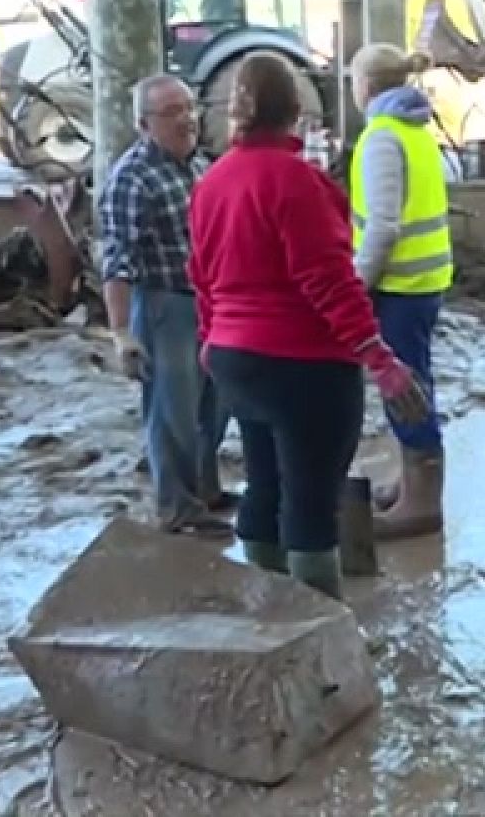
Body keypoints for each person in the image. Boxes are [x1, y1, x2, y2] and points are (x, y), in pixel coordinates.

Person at [187, 53, 428, 599]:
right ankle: (320, 635)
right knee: (311, 499)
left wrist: (210, 341)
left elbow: (200, 276)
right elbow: (329, 282)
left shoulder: (211, 183)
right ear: (297, 112)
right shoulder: (300, 183)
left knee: (264, 485)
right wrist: (382, 362)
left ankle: (268, 615)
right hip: (303, 364)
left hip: (234, 360)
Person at [97, 73, 233, 536]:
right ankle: (177, 506)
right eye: (172, 113)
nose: (186, 120)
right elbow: (117, 258)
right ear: (143, 123)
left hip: (210, 301)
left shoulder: (199, 165)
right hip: (164, 305)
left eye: (189, 108)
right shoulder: (132, 177)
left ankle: (207, 490)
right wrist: (121, 334)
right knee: (173, 410)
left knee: (217, 402)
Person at [347, 43, 455, 540]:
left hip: (400, 285)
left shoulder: (382, 139)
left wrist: (356, 287)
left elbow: (383, 228)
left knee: (406, 388)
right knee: (414, 381)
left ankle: (422, 503)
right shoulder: (413, 131)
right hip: (423, 281)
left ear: (366, 86)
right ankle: (409, 482)